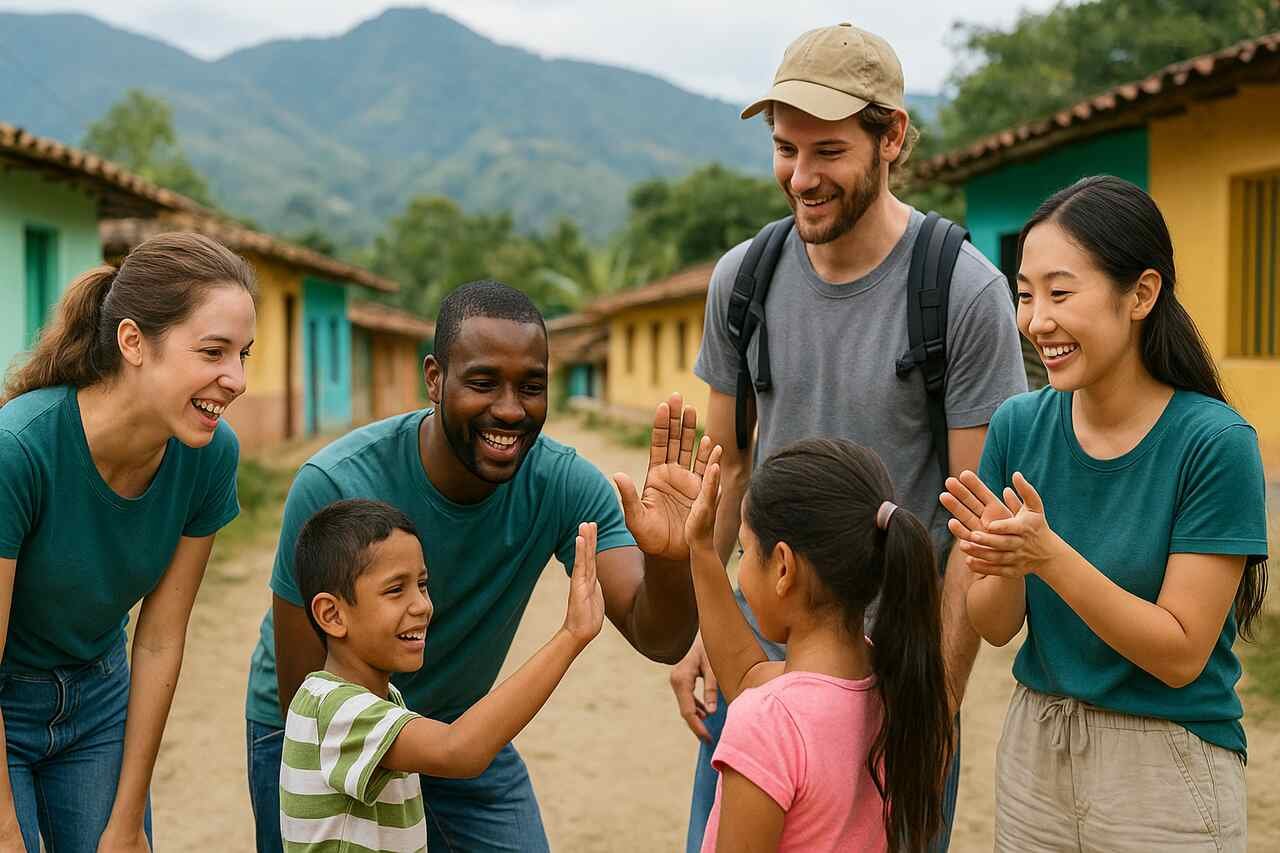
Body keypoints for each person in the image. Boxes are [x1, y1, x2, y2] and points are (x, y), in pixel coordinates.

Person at [672, 22, 1027, 851]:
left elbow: (973, 531)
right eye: (784, 149)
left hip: (901, 673)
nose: (801, 176)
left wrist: (933, 704)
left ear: (891, 137)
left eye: (827, 150)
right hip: (763, 667)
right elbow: (728, 481)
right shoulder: (742, 281)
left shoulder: (963, 295)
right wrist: (706, 628)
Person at [246, 279, 712, 852]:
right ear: (435, 379)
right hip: (324, 729)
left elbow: (660, 637)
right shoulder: (336, 484)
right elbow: (306, 696)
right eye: (483, 382)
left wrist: (669, 561)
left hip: (460, 723)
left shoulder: (564, 484)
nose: (511, 409)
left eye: (532, 386)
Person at [941, 176, 1268, 852]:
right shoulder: (1017, 426)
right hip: (1038, 749)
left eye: (1060, 293)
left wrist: (1047, 557)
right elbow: (998, 626)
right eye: (1026, 295)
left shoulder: (1214, 443)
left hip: (1165, 766)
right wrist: (996, 562)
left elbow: (1179, 653)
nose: (1036, 321)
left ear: (1141, 294)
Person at [0, 233, 256, 852]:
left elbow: (162, 638)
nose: (236, 379)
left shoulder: (209, 455)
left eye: (244, 354)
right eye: (213, 351)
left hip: (99, 698)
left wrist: (127, 820)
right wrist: (7, 827)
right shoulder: (19, 450)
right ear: (134, 342)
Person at [280, 499, 605, 852]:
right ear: (333, 615)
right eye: (395, 589)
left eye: (422, 584)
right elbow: (458, 751)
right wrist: (571, 636)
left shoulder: (367, 699)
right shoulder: (338, 710)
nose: (422, 605)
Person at [685, 439, 951, 852]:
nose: (740, 570)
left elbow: (756, 693)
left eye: (743, 552)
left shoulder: (767, 723)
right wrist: (701, 551)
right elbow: (746, 675)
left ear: (784, 567)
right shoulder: (893, 683)